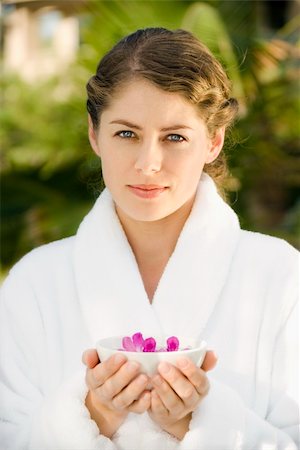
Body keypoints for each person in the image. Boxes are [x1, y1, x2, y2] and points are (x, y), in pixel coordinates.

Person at [0, 27, 298, 450]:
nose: (148, 163)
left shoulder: (279, 275)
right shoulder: (34, 284)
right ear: (94, 134)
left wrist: (201, 421)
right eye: (126, 133)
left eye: (175, 137)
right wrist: (93, 414)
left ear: (213, 141)